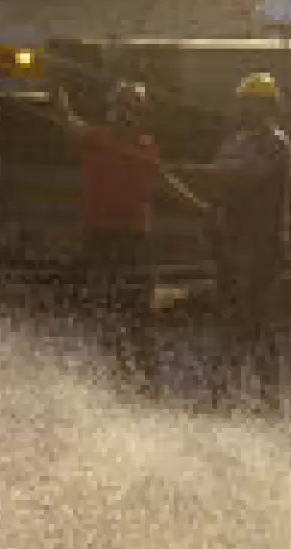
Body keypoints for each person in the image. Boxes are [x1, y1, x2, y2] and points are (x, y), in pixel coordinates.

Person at [62, 80, 209, 374]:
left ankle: (143, 373)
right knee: (106, 306)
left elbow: (163, 181)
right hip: (101, 236)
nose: (124, 115)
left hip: (134, 237)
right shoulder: (96, 138)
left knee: (138, 309)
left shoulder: (146, 147)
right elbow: (71, 125)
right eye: (119, 109)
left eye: (130, 110)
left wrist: (198, 206)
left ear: (140, 114)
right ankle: (116, 370)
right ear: (112, 111)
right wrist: (62, 105)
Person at [208, 72, 291, 415]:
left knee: (258, 322)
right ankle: (223, 395)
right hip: (232, 243)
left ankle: (268, 398)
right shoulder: (236, 141)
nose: (245, 108)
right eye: (243, 102)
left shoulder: (278, 144)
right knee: (230, 320)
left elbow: (252, 175)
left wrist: (216, 172)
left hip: (264, 246)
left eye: (253, 102)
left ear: (269, 106)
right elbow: (220, 184)